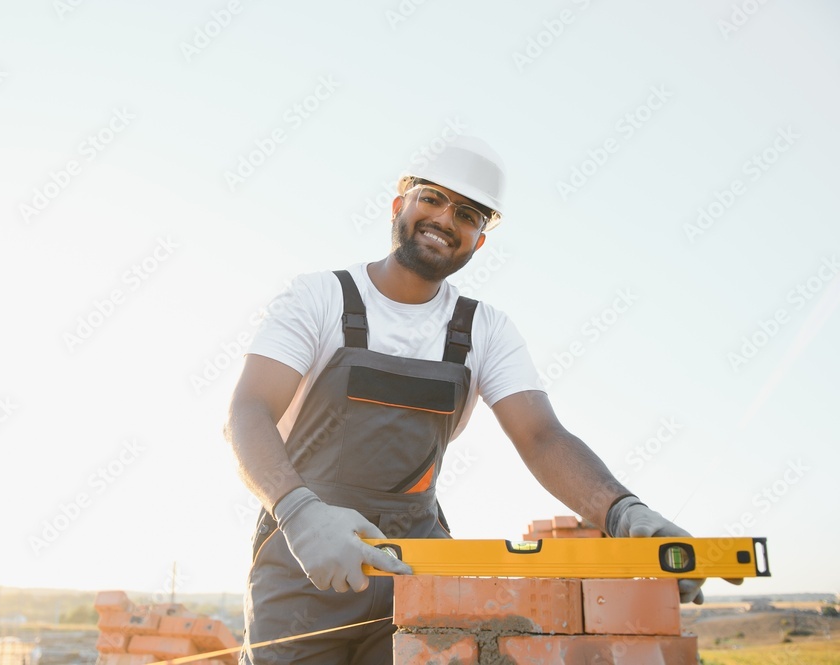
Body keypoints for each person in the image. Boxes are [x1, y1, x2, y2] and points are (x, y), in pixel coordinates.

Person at [223, 137, 705, 665]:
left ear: (478, 241)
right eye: (431, 198)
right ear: (398, 206)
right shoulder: (319, 298)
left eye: (468, 213)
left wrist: (624, 513)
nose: (445, 219)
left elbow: (542, 438)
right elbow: (248, 412)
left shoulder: (484, 329)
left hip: (418, 568)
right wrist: (299, 512)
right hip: (305, 561)